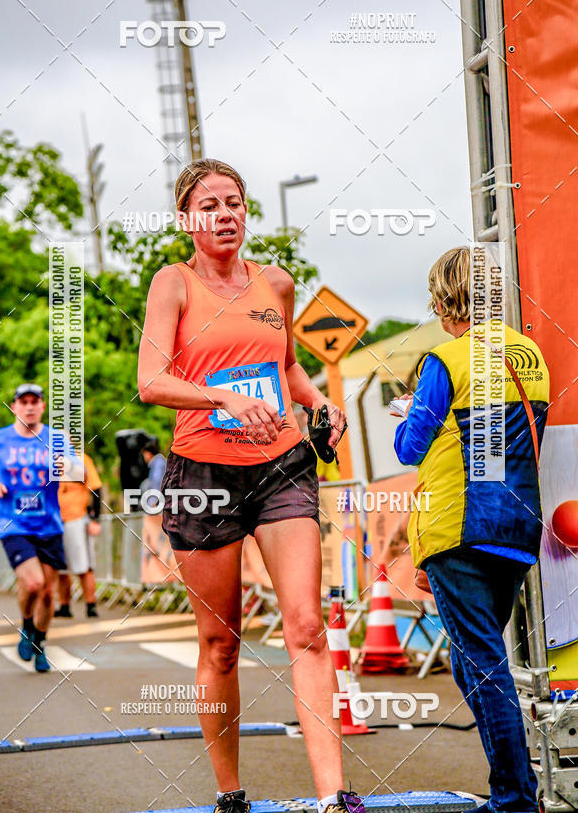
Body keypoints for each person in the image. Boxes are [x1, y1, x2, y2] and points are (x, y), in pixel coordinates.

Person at [138, 158, 365, 813]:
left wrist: (320, 400)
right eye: (209, 205)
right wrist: (219, 397)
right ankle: (229, 791)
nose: (225, 213)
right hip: (201, 474)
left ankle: (334, 795)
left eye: (233, 201)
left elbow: (286, 363)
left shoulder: (276, 284)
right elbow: (150, 381)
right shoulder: (172, 284)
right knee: (221, 641)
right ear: (187, 220)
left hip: (280, 465)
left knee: (307, 626)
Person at [393, 247, 549, 813]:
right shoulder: (529, 352)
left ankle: (512, 799)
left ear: (442, 300)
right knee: (471, 659)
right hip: (516, 527)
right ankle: (511, 787)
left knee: (484, 665)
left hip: (456, 528)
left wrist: (410, 413)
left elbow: (411, 447)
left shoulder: (445, 360)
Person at [0, 384, 81, 672]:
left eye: (35, 401)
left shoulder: (57, 438)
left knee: (47, 592)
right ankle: (26, 626)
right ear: (14, 407)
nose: (30, 407)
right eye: (23, 402)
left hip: (49, 524)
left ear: (43, 407)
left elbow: (79, 472)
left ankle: (40, 643)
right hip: (13, 524)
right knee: (33, 583)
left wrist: (66, 466)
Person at [55, 448, 103, 618]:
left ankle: (91, 605)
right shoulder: (49, 461)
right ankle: (64, 606)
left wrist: (96, 519)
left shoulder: (81, 459)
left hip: (76, 518)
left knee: (84, 565)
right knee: (60, 568)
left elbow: (96, 488)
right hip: (55, 521)